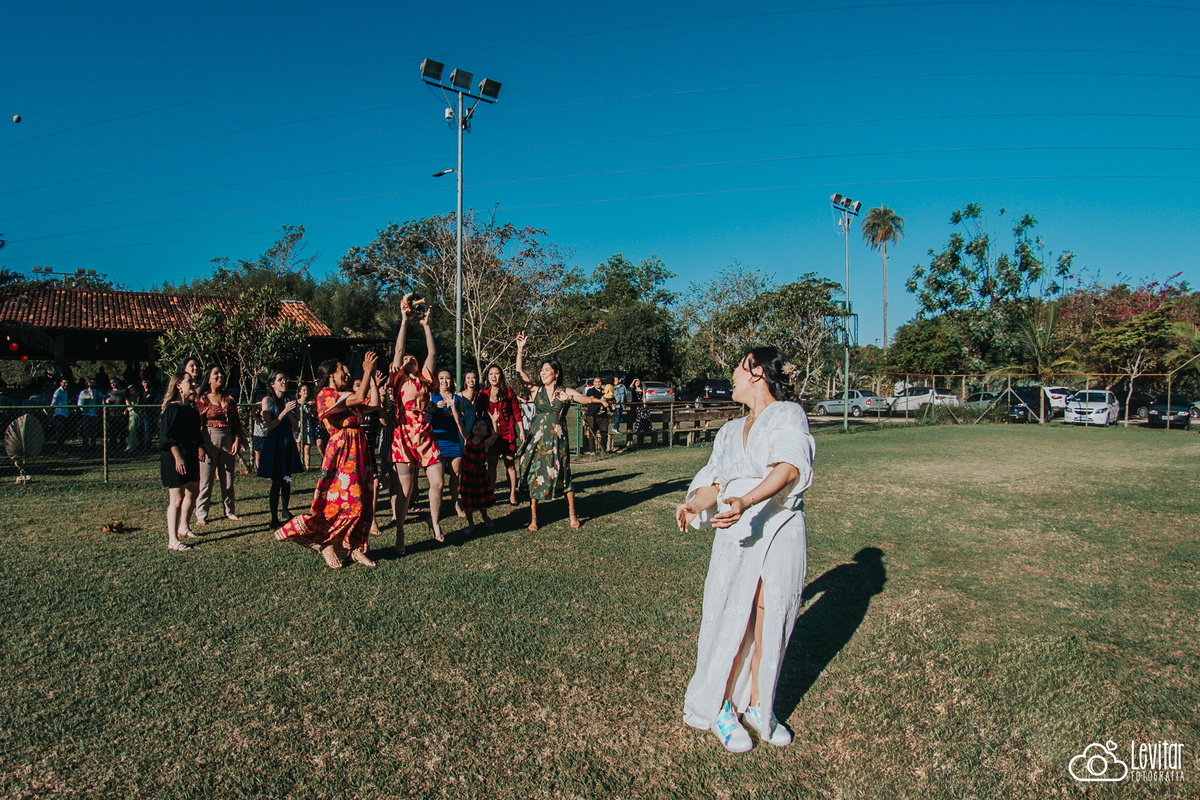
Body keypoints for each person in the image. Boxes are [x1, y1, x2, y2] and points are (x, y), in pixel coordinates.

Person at [673, 346, 815, 753]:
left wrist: (746, 502)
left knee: (771, 616)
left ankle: (758, 706)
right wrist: (693, 504)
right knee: (730, 612)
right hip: (735, 533)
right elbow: (715, 483)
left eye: (738, 367)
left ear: (756, 373)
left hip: (778, 525)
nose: (731, 375)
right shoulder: (729, 431)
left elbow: (789, 468)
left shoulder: (788, 415)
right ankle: (720, 706)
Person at [274, 353, 380, 569]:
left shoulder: (345, 395)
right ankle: (326, 544)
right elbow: (360, 398)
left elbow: (374, 404)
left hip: (358, 451)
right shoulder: (326, 395)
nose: (348, 373)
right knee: (346, 503)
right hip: (343, 454)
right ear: (332, 374)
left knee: (364, 499)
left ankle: (354, 549)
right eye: (343, 370)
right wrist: (367, 371)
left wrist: (374, 381)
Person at [513, 332, 609, 531]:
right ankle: (533, 519)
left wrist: (597, 400)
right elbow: (519, 371)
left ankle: (572, 514)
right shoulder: (535, 391)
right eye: (541, 370)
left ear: (556, 373)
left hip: (558, 440)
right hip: (538, 440)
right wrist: (520, 349)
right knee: (534, 474)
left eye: (547, 370)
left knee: (564, 474)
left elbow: (584, 398)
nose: (542, 373)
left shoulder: (564, 391)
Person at [390, 306, 445, 552]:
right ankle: (400, 533)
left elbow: (432, 351)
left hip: (424, 432)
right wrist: (404, 321)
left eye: (412, 358)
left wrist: (425, 325)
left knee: (438, 483)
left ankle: (434, 522)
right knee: (406, 490)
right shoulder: (398, 379)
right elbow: (399, 349)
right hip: (403, 435)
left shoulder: (424, 377)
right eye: (405, 359)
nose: (409, 359)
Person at [159, 371, 203, 552]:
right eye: (189, 382)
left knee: (193, 490)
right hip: (175, 455)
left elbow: (196, 434)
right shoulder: (172, 408)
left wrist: (203, 447)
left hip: (191, 453)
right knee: (176, 498)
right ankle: (173, 539)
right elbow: (167, 437)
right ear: (179, 385)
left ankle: (184, 526)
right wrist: (178, 457)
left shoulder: (192, 409)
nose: (193, 384)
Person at [196, 366, 244, 524]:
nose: (219, 376)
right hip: (209, 438)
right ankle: (201, 514)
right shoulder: (203, 399)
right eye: (215, 373)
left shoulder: (229, 398)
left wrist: (237, 439)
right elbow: (197, 424)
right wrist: (200, 446)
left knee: (228, 479)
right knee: (206, 480)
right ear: (208, 378)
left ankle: (230, 511)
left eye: (221, 373)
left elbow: (236, 421)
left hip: (228, 438)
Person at [258, 371, 304, 529]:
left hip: (287, 442)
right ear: (272, 384)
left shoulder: (290, 399)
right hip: (275, 444)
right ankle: (273, 517)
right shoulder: (267, 401)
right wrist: (284, 411)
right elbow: (270, 425)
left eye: (285, 378)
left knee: (287, 478)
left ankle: (285, 510)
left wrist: (290, 412)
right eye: (280, 379)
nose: (284, 381)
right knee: (277, 480)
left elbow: (295, 425)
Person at [476, 363, 523, 505]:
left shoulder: (508, 391)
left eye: (496, 374)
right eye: (491, 374)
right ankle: (491, 494)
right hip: (491, 434)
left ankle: (512, 494)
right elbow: (479, 413)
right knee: (492, 464)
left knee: (510, 464)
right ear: (487, 377)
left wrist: (521, 430)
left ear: (501, 376)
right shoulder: (483, 394)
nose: (493, 376)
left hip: (508, 432)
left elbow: (516, 411)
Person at [431, 369, 468, 518]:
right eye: (441, 378)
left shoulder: (456, 398)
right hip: (438, 440)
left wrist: (453, 412)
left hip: (453, 439)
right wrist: (435, 408)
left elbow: (462, 417)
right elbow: (426, 413)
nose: (444, 381)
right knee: (438, 479)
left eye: (447, 378)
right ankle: (437, 507)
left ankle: (455, 504)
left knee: (456, 473)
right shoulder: (432, 396)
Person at [461, 408, 502, 534]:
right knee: (467, 501)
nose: (478, 426)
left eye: (483, 425)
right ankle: (471, 523)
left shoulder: (485, 443)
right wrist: (453, 408)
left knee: (481, 500)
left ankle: (485, 516)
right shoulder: (467, 438)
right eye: (477, 424)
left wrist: (494, 421)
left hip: (480, 475)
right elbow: (459, 423)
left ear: (486, 432)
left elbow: (495, 435)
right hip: (467, 475)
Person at [582, 377, 609, 454]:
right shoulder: (591, 391)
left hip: (603, 416)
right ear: (593, 383)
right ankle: (592, 451)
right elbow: (592, 399)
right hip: (592, 415)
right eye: (596, 382)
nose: (598, 383)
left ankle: (603, 449)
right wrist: (602, 401)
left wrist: (608, 401)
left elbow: (612, 398)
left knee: (604, 433)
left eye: (599, 382)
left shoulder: (604, 392)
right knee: (592, 434)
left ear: (601, 383)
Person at [77, 378, 103, 449]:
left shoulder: (98, 393)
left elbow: (101, 403)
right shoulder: (83, 392)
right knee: (85, 430)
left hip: (95, 414)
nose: (92, 384)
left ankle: (93, 445)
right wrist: (84, 410)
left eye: (94, 383)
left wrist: (99, 409)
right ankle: (85, 445)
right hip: (86, 414)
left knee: (95, 430)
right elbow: (80, 403)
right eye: (91, 383)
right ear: (88, 383)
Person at [611, 375, 630, 450]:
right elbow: (611, 396)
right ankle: (615, 428)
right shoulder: (612, 387)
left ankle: (617, 427)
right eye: (614, 380)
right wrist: (612, 404)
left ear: (619, 380)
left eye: (616, 380)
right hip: (616, 405)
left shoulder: (623, 387)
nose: (615, 381)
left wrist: (625, 403)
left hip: (621, 405)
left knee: (619, 415)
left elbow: (626, 394)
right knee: (617, 415)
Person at [51, 378, 71, 449]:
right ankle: (59, 448)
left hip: (65, 413)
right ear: (60, 383)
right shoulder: (58, 391)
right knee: (60, 431)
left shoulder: (65, 392)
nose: (66, 384)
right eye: (64, 383)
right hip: (59, 414)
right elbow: (53, 403)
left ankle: (61, 447)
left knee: (65, 432)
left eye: (67, 383)